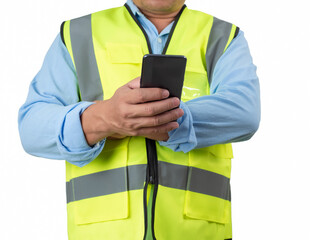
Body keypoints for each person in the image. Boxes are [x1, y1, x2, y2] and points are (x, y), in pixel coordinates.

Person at [18, 0, 260, 239]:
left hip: (199, 233)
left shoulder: (224, 36)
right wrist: (105, 118)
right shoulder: (78, 34)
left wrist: (167, 122)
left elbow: (244, 111)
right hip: (102, 233)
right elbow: (31, 128)